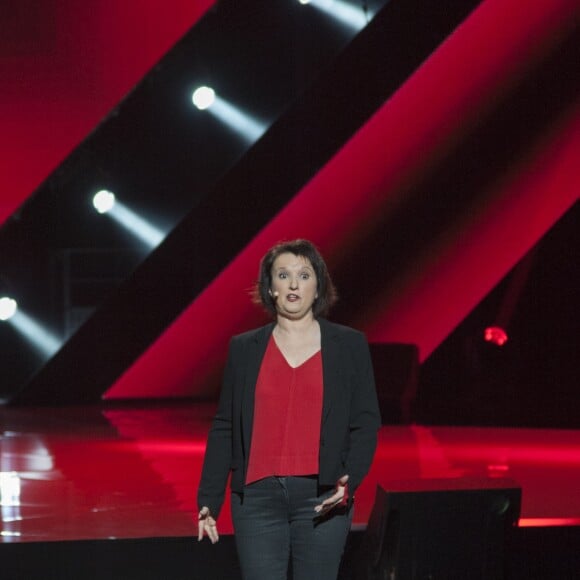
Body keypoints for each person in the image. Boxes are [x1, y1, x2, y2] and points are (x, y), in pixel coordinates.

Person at [197, 239, 380, 580]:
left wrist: (350, 479)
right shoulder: (244, 348)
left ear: (318, 287)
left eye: (304, 275)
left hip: (323, 497)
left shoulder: (348, 345)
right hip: (255, 499)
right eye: (283, 275)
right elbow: (225, 425)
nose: (294, 284)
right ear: (270, 288)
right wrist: (208, 498)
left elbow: (366, 421)